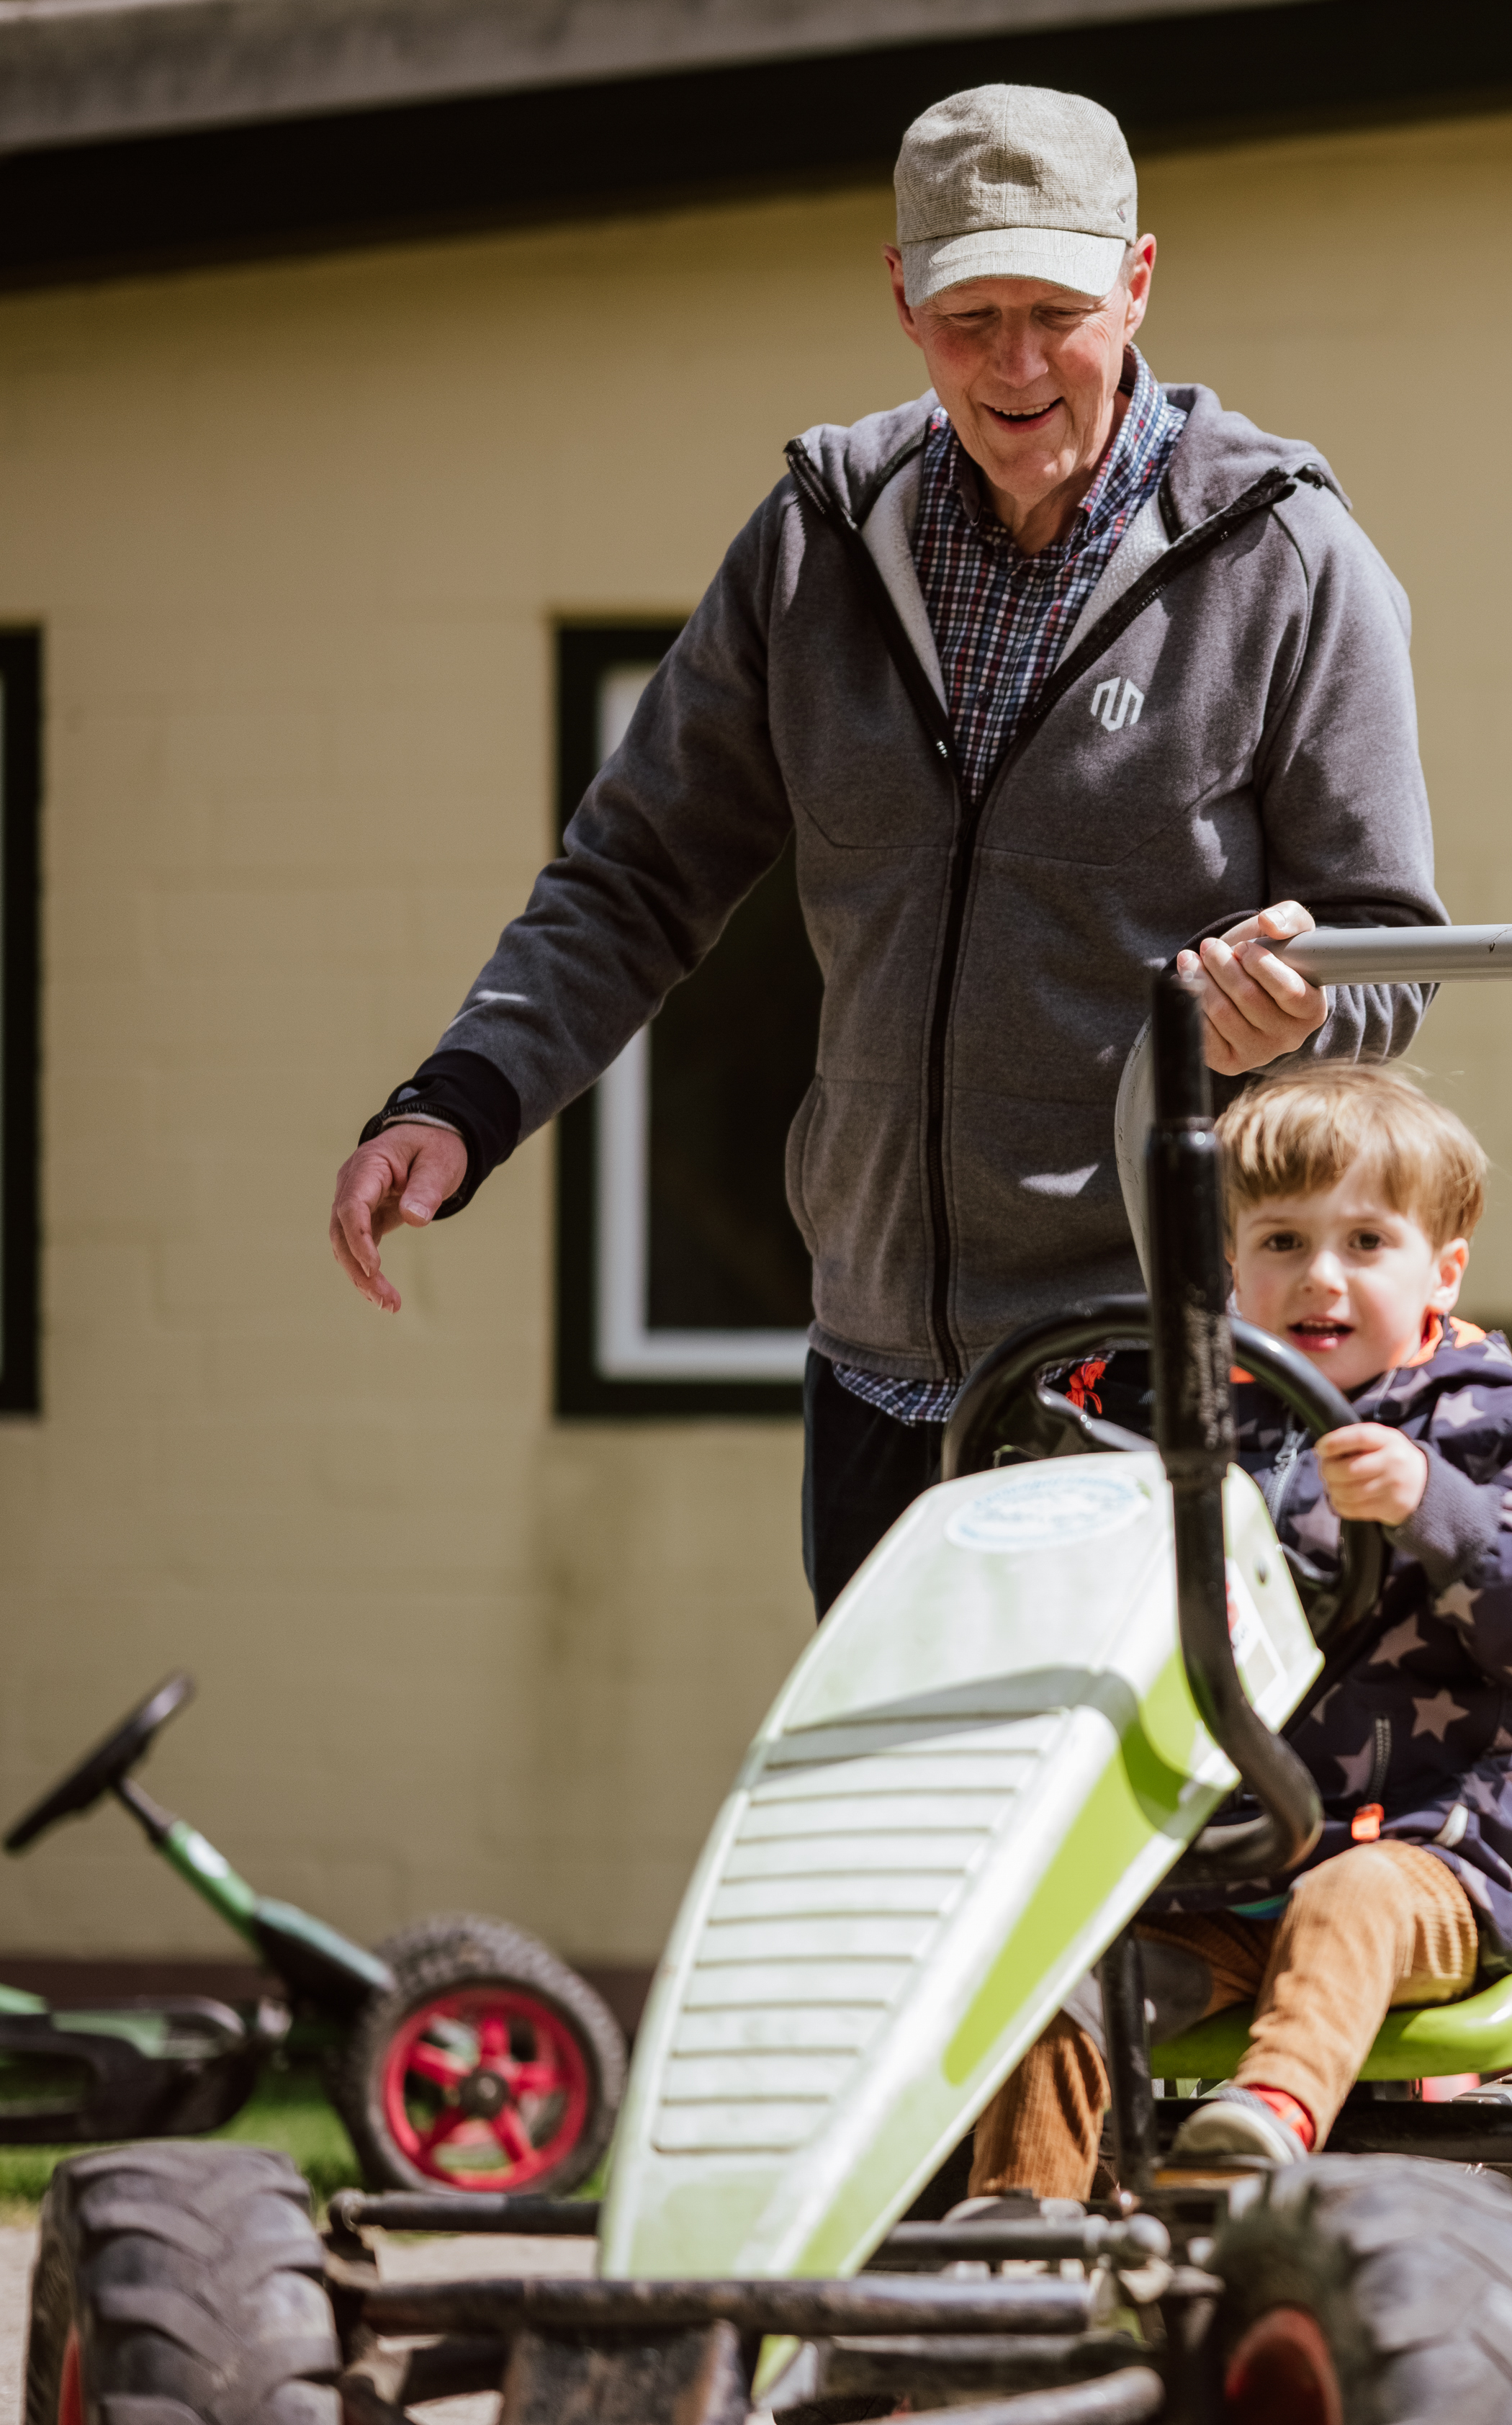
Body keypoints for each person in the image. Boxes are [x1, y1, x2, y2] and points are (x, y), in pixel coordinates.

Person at [318, 85, 1445, 1608]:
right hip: (870, 1380)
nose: (1018, 363)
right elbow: (633, 875)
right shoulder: (811, 547)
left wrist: (1302, 1004)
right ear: (900, 298)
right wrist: (461, 1097)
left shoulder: (1288, 563)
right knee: (892, 1839)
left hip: (1145, 1368)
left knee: (1118, 1845)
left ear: (1138, 282)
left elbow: (1389, 944)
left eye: (1055, 309)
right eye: (969, 314)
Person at [971, 1063, 1512, 2189]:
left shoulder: (1489, 1425)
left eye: (1366, 1243)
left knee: (1349, 1896)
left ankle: (1264, 2118)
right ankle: (1011, 2254)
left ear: (1441, 1270)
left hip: (1421, 1864)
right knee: (1056, 1982)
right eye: (1281, 1242)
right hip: (1206, 1881)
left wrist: (1436, 1507)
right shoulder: (1184, 1419)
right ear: (1231, 1266)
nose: (1320, 1276)